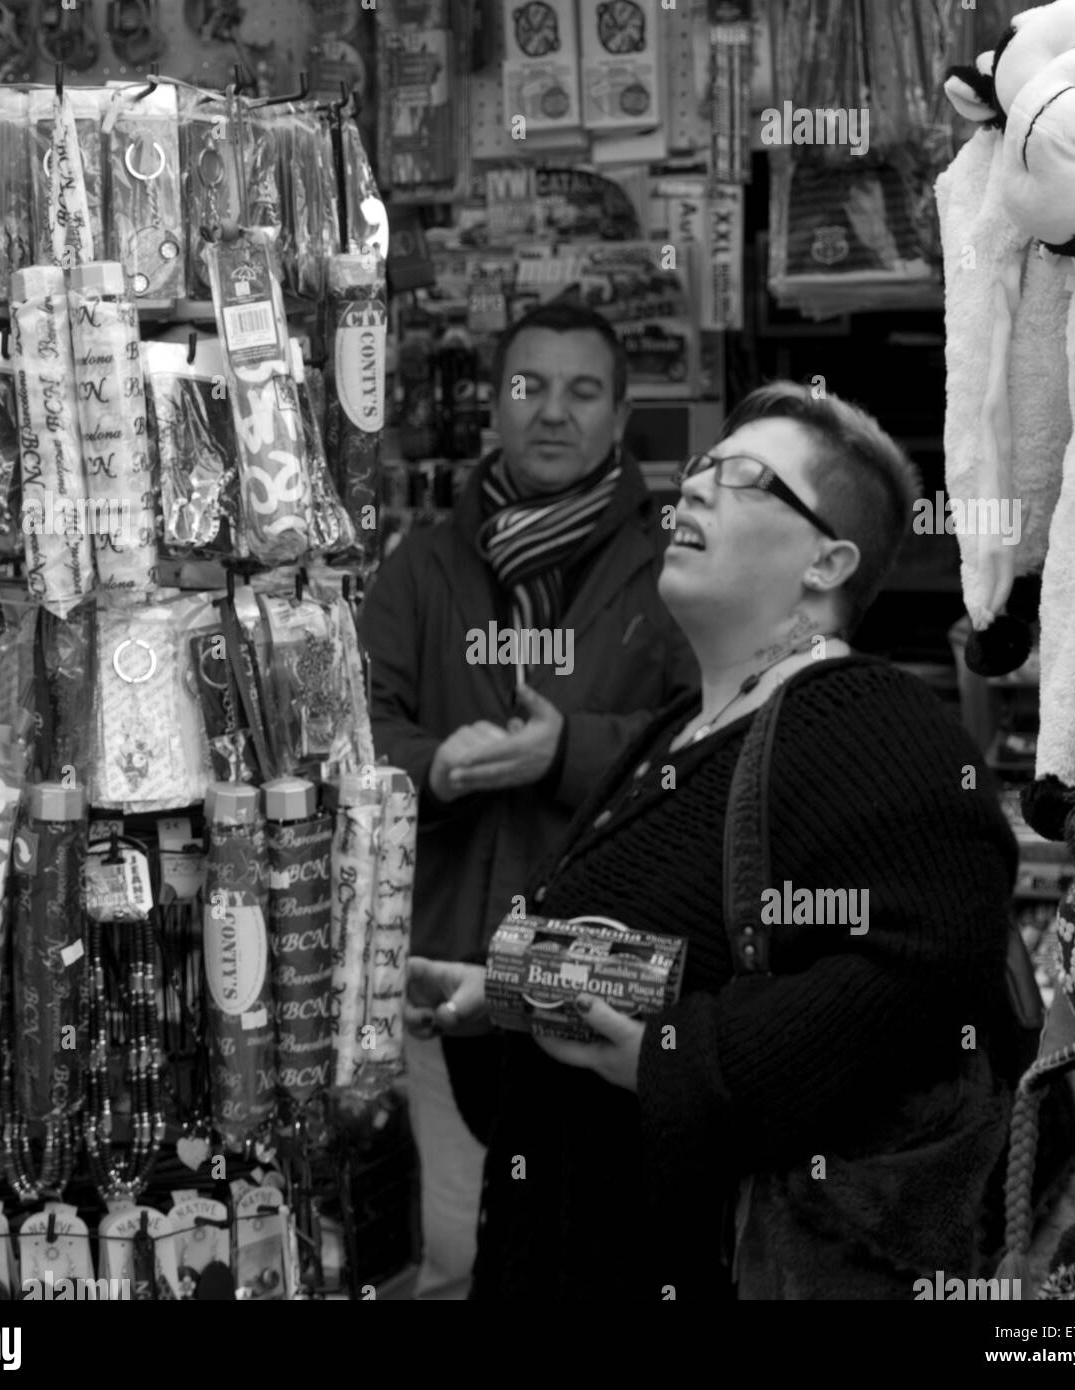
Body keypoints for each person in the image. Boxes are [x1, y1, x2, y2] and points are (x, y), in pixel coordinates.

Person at [406, 381, 1075, 1300]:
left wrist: (679, 1062)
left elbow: (923, 966)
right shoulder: (682, 729)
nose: (693, 488)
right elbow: (677, 960)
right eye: (697, 469)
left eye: (743, 477)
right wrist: (508, 996)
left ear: (827, 562)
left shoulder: (865, 716)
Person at [358, 302, 697, 1299]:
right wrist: (434, 768)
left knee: (605, 1242)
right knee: (465, 1253)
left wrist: (567, 753)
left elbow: (710, 744)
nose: (552, 412)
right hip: (452, 960)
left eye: (582, 390)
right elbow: (354, 728)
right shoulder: (420, 567)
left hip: (616, 964)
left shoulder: (673, 564)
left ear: (620, 413)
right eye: (528, 387)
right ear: (493, 410)